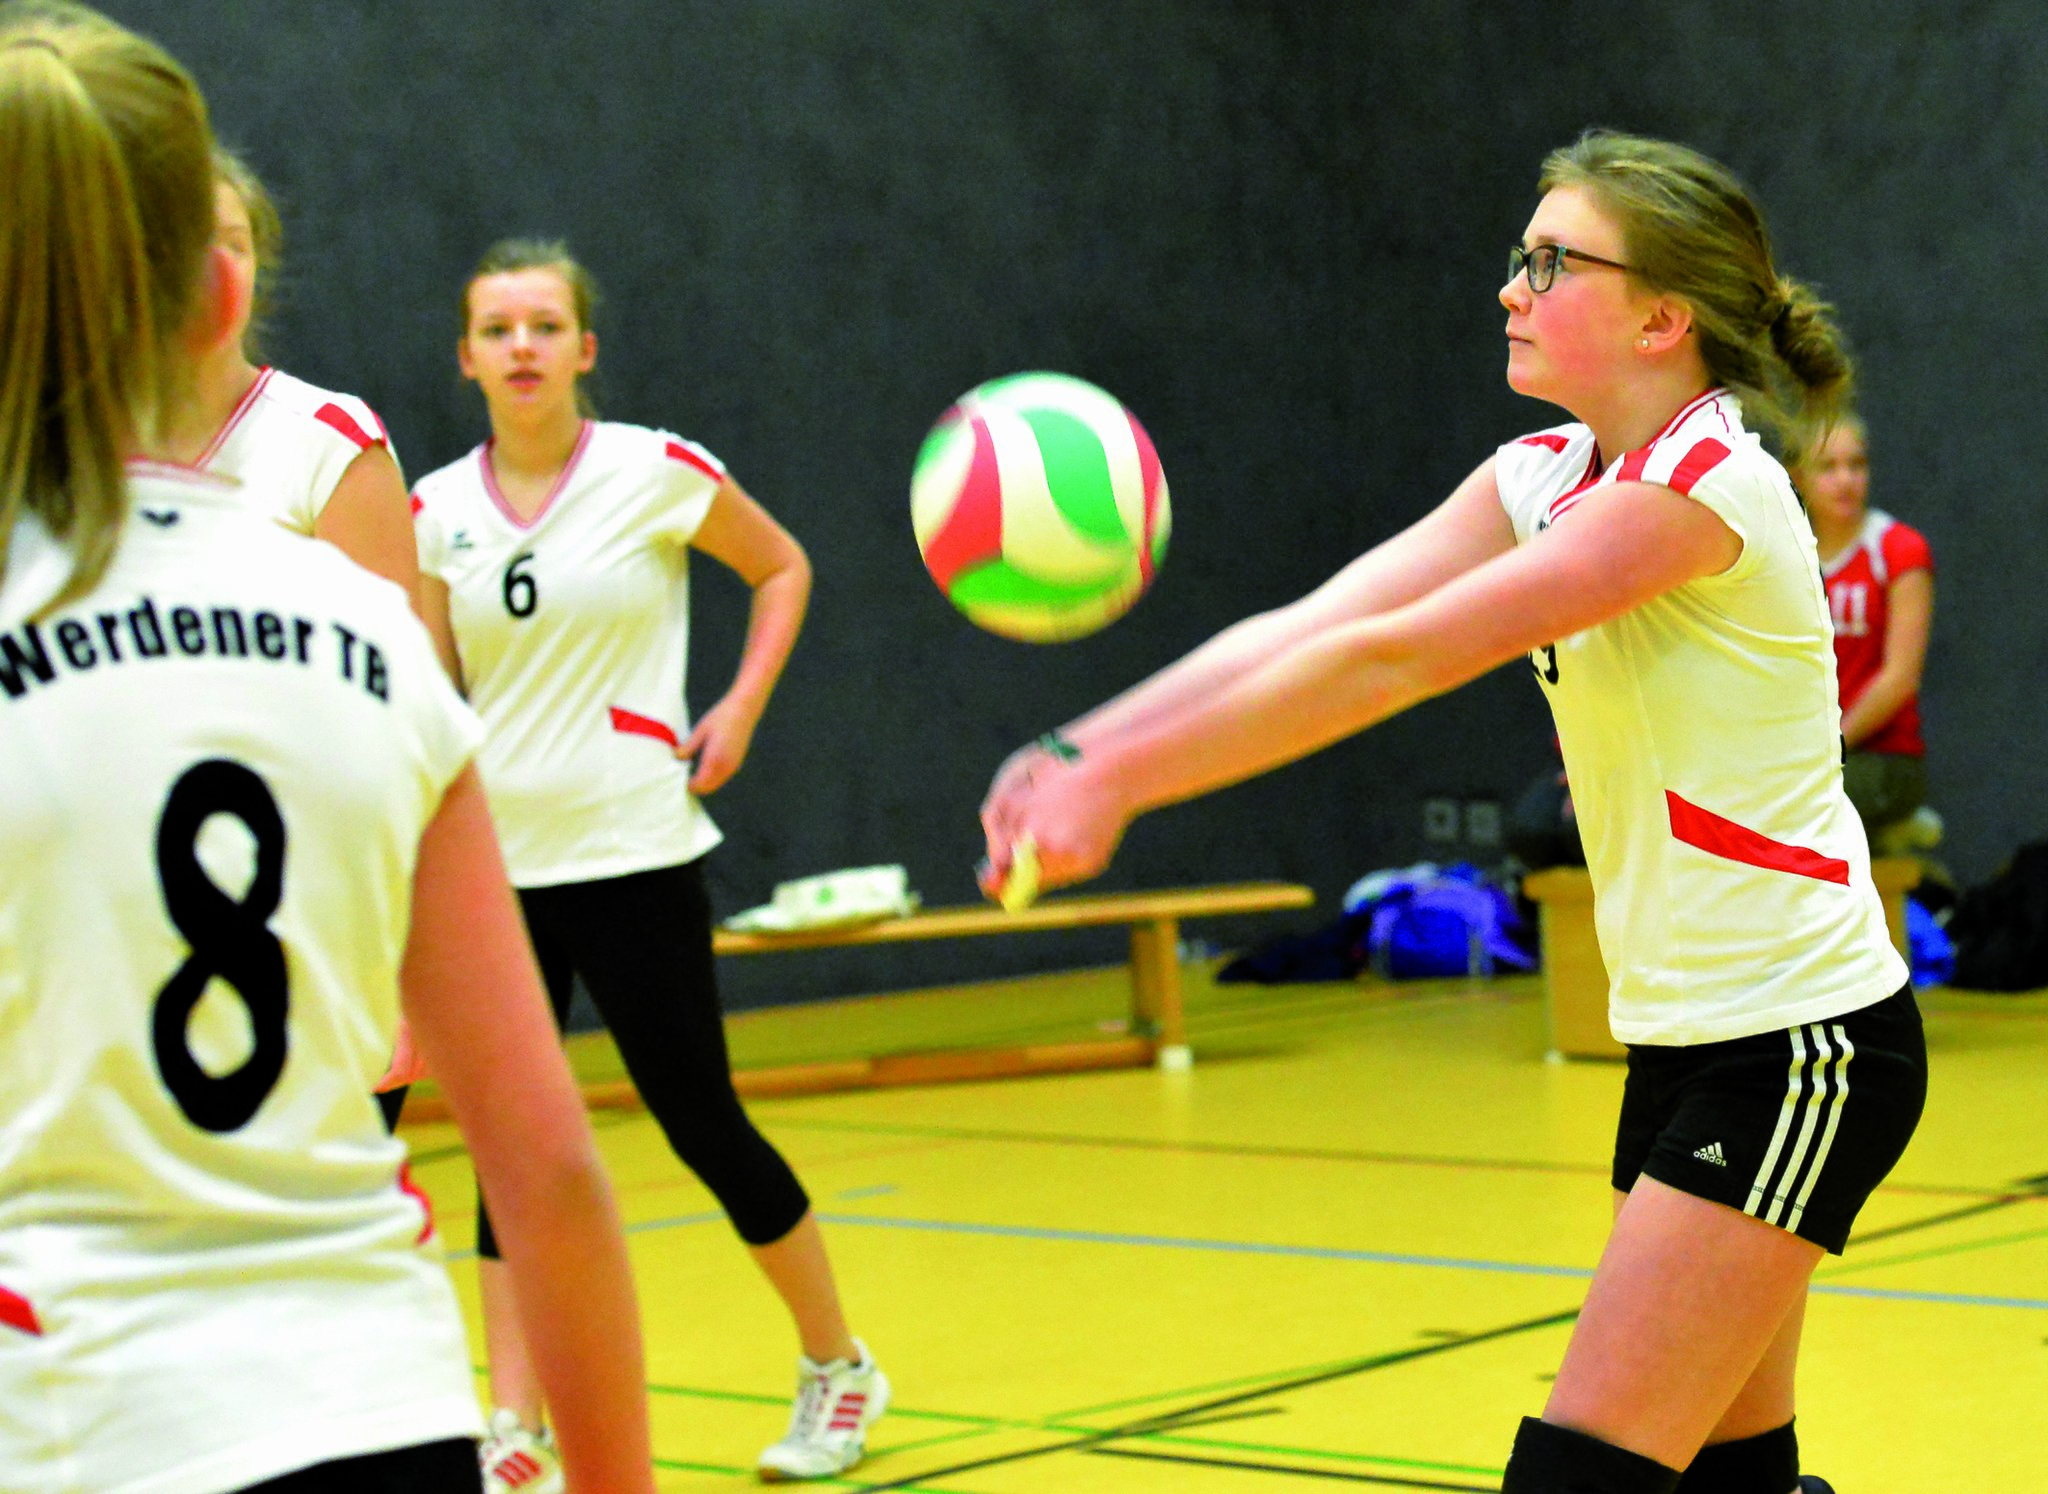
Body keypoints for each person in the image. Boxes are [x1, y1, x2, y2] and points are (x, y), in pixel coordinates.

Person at [981, 130, 1926, 1494]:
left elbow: (1401, 657)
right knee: (1736, 1474)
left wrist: (1123, 783)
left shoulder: (1700, 490)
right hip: (1680, 1033)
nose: (1511, 288)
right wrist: (1081, 741)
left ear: (1665, 315)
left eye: (1555, 262)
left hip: (1797, 1047)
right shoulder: (1543, 473)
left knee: (1582, 1469)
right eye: (1519, 257)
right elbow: (1318, 620)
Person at [0, 6, 655, 1493]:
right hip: (372, 1405)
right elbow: (544, 1165)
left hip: (69, 1426)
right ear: (224, 288)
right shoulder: (365, 630)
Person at [412, 240, 888, 1489]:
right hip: (494, 874)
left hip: (632, 851)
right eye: (497, 328)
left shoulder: (652, 471)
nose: (522, 346)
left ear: (584, 348)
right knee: (508, 1145)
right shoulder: (429, 512)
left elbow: (781, 565)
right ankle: (514, 1430)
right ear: (466, 357)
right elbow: (423, 688)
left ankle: (838, 1365)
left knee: (700, 1124)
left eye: (545, 325)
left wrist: (735, 707)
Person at [171, 145, 440, 1126]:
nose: (207, 266)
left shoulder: (324, 441)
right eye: (181, 242)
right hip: (138, 923)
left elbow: (396, 707)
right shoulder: (75, 448)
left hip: (310, 911)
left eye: (232, 243)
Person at [1791, 415, 1936, 851]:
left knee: (1793, 807)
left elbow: (1899, 678)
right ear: (1798, 476)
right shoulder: (1786, 555)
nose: (1845, 480)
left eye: (1856, 465)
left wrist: (1829, 747)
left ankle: (1891, 834)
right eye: (1828, 467)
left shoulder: (1898, 549)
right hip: (1804, 758)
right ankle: (1889, 839)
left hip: (1881, 758)